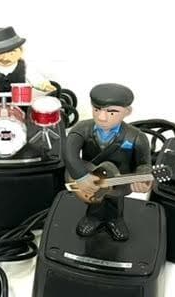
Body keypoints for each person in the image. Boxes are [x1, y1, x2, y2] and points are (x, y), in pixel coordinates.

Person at [64, 83, 152, 242]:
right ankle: (93, 218)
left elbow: (144, 164)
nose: (102, 117)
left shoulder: (136, 138)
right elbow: (69, 154)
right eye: (97, 110)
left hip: (118, 182)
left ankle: (115, 220)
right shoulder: (82, 129)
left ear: (127, 112)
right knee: (95, 200)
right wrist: (81, 176)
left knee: (114, 202)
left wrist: (143, 178)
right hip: (90, 177)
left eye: (111, 112)